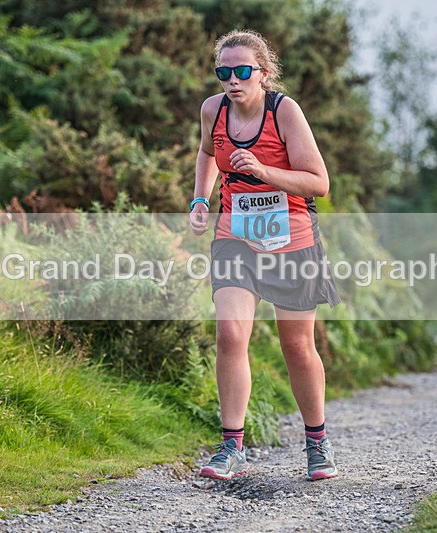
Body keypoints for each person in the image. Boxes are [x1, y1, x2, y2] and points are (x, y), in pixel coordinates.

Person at [189, 29, 341, 482]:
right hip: (235, 235)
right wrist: (201, 199)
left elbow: (319, 182)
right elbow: (206, 154)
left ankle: (317, 442)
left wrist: (265, 171)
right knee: (231, 334)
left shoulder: (285, 112)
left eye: (242, 72)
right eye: (223, 72)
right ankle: (231, 447)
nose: (232, 81)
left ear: (263, 74)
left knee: (297, 347)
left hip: (292, 238)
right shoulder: (212, 111)